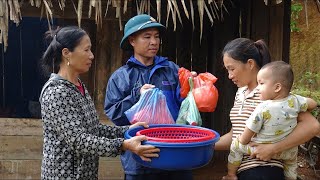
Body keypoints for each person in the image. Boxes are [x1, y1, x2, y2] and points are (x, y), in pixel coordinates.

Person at [39, 26, 160, 180]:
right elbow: (78, 140)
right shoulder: (57, 92)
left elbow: (93, 129)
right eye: (86, 50)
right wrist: (123, 145)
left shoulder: (78, 86)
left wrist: (127, 130)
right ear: (66, 53)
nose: (91, 56)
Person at [215, 37, 320, 180]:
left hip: (265, 168)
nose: (229, 75)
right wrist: (204, 145)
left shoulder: (271, 93)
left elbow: (312, 126)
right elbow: (236, 135)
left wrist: (273, 148)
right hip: (241, 168)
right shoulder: (240, 93)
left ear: (250, 64)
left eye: (232, 69)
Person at [104, 14, 193, 180]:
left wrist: (194, 87)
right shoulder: (121, 77)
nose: (154, 42)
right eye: (147, 37)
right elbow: (115, 114)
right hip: (140, 159)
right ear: (132, 41)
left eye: (157, 36)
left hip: (176, 155)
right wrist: (137, 96)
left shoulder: (172, 70)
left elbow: (185, 106)